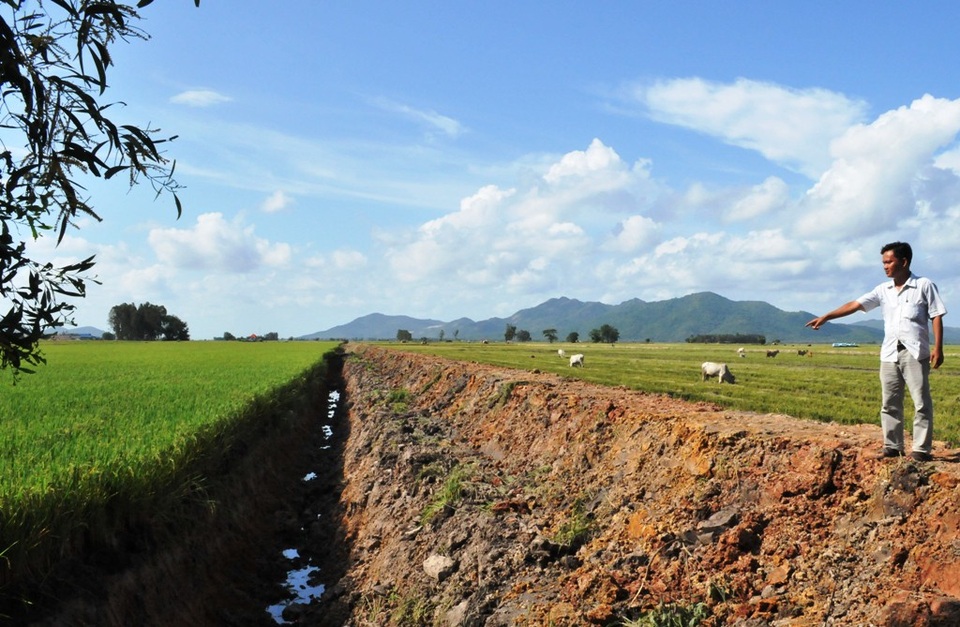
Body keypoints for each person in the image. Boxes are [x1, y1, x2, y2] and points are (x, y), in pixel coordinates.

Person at [805, 242, 946, 462]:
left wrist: (938, 347)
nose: (885, 266)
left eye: (889, 262)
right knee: (889, 402)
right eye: (883, 262)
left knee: (921, 402)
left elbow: (936, 315)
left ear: (904, 261)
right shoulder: (883, 290)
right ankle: (893, 446)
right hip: (889, 353)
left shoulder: (924, 285)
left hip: (915, 352)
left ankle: (921, 449)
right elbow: (855, 304)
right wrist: (827, 316)